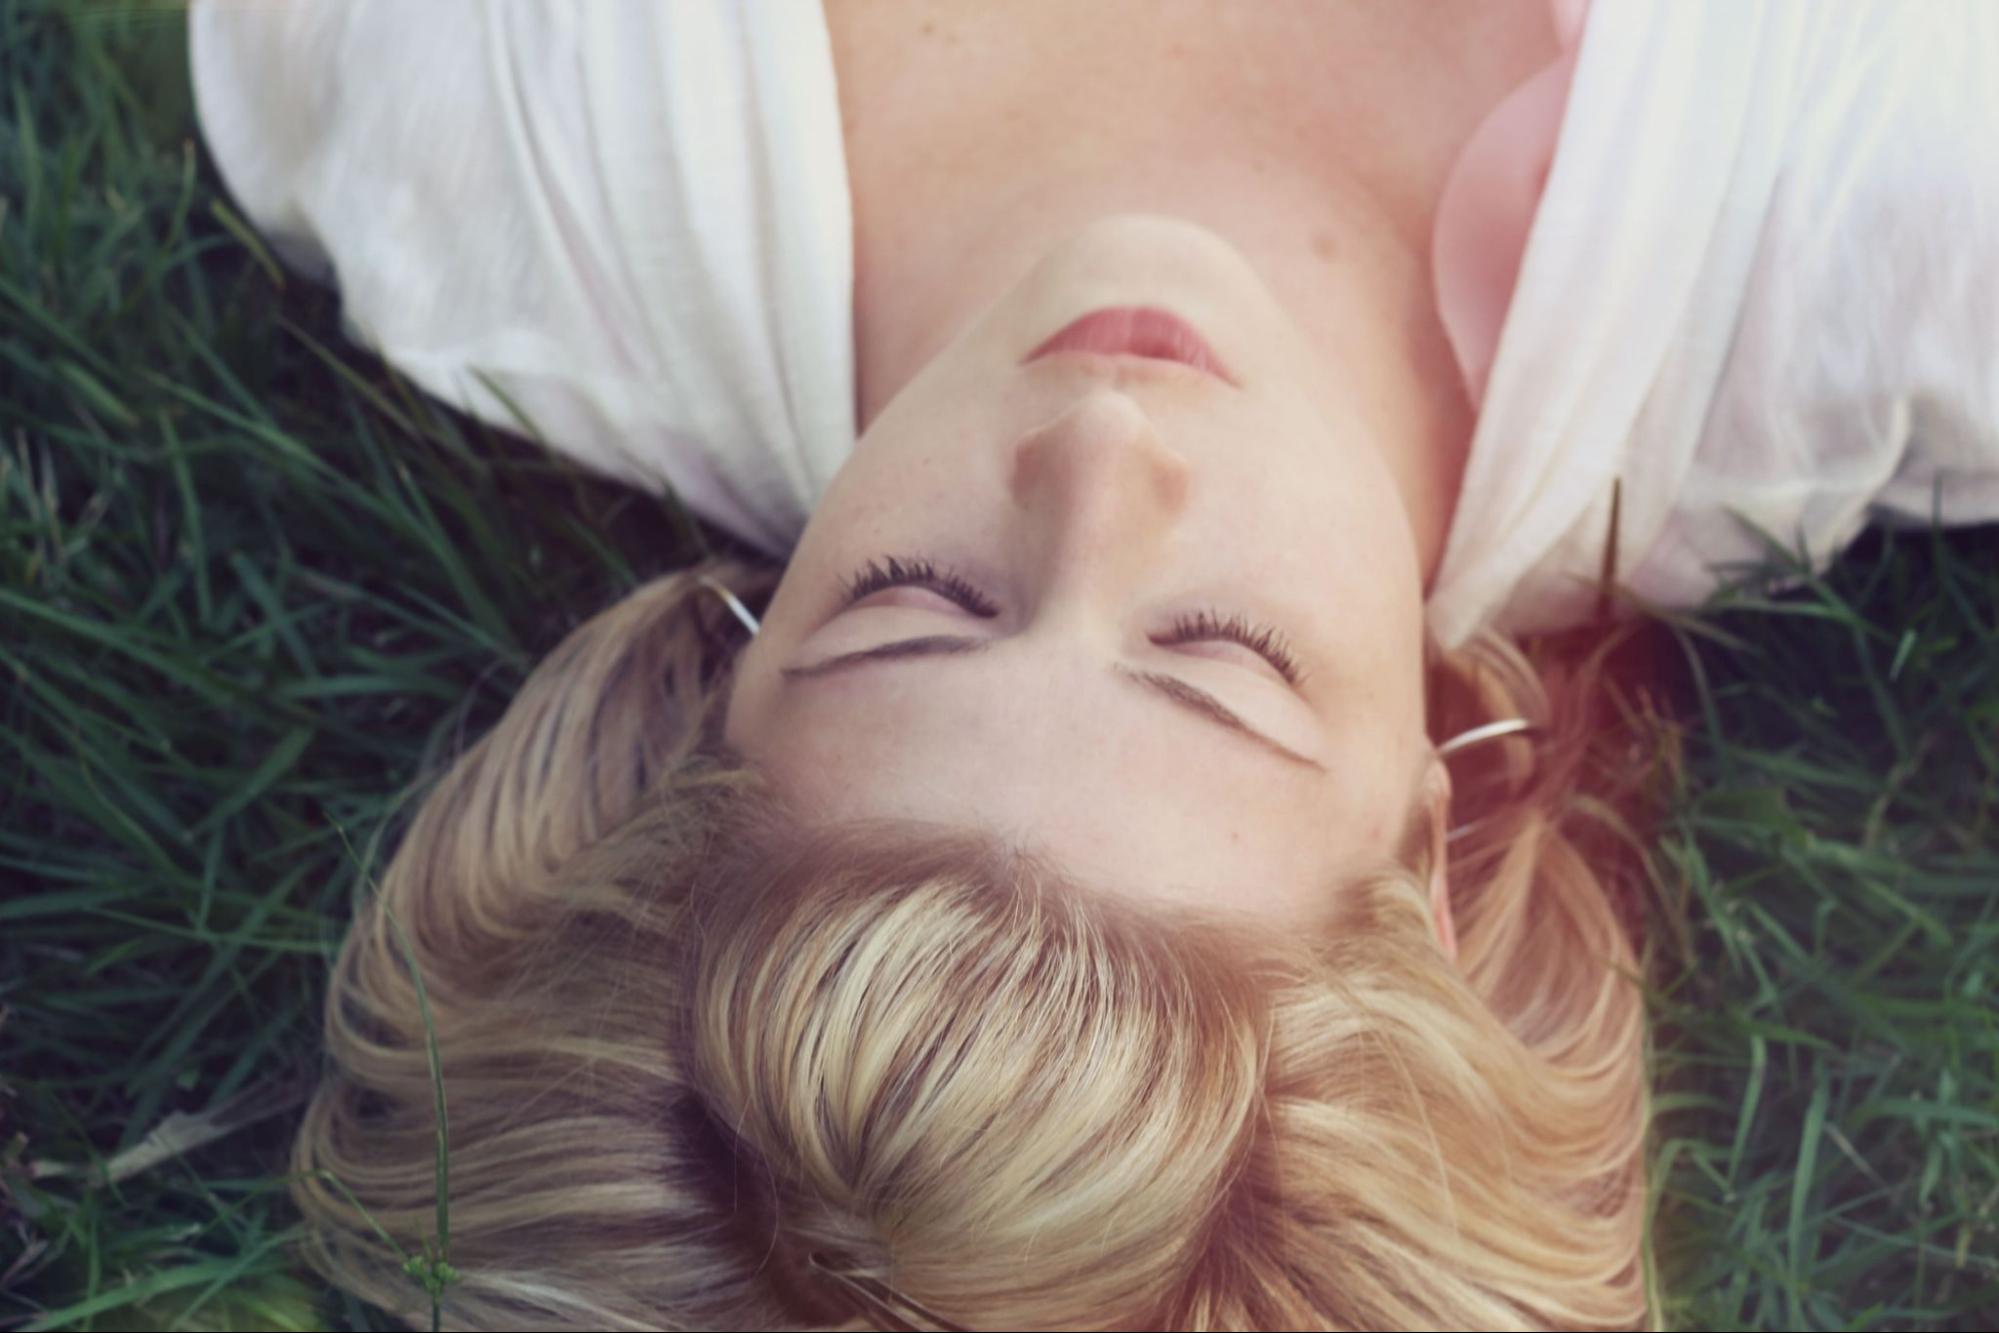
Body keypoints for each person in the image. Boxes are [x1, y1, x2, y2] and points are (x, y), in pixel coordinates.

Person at [189, 1, 1998, 1328]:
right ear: (1419, 858)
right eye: (1219, 653)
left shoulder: (476, 118)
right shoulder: (1903, 233)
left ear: (709, 714)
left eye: (914, 601)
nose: (1105, 454)